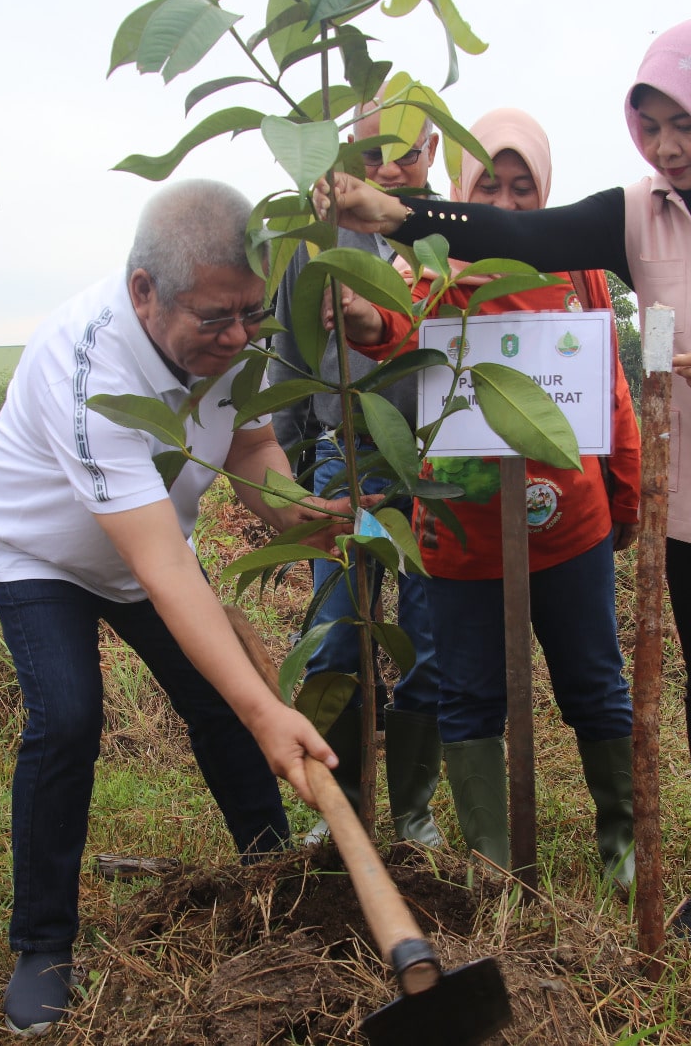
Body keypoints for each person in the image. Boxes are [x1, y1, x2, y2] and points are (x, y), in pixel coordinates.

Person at [318, 11, 691, 995]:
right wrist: (400, 213)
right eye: (650, 126)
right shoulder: (639, 214)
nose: (668, 147)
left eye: (685, 122)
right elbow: (522, 232)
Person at [0, 180, 348, 1035]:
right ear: (144, 291)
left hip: (141, 552)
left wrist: (294, 514)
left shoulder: (236, 333)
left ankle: (273, 877)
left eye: (251, 312)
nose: (240, 336)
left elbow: (250, 444)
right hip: (38, 554)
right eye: (215, 318)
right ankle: (43, 944)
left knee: (215, 704)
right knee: (67, 718)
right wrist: (268, 707)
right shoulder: (88, 364)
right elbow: (169, 567)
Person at [328, 108, 641, 884]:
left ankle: (625, 851)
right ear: (463, 190)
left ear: (546, 192)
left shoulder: (576, 271)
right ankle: (493, 865)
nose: (503, 205)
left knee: (595, 686)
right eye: (487, 187)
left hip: (571, 525)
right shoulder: (433, 270)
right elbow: (391, 329)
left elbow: (612, 395)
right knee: (468, 698)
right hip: (461, 533)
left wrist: (626, 499)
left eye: (522, 187)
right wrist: (362, 315)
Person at [269, 103, 444, 845]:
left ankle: (411, 809)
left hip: (436, 454)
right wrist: (294, 460)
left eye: (403, 153)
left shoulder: (444, 236)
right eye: (369, 154)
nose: (386, 169)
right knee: (340, 633)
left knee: (427, 636)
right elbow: (288, 347)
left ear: (432, 149)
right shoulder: (311, 240)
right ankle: (338, 804)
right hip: (344, 450)